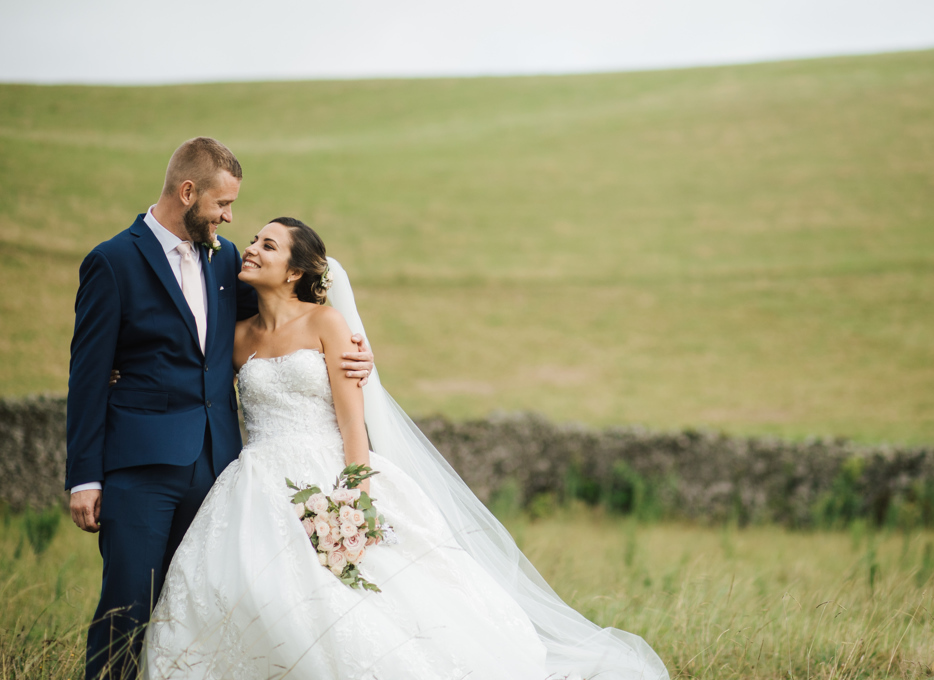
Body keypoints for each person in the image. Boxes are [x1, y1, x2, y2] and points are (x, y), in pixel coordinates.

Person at [144, 217, 669, 680]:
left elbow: (354, 428)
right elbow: (190, 378)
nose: (252, 248)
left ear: (295, 271)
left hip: (329, 475)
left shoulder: (327, 323)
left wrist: (352, 500)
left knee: (376, 598)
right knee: (252, 590)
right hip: (256, 485)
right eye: (255, 239)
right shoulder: (236, 338)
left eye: (270, 245)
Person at [65, 138, 375, 680]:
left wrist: (356, 349)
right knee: (130, 606)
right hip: (140, 470)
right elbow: (87, 376)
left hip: (219, 470)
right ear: (188, 192)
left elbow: (290, 316)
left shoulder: (227, 259)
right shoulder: (112, 262)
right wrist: (84, 477)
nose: (230, 219)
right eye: (222, 206)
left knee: (203, 610)